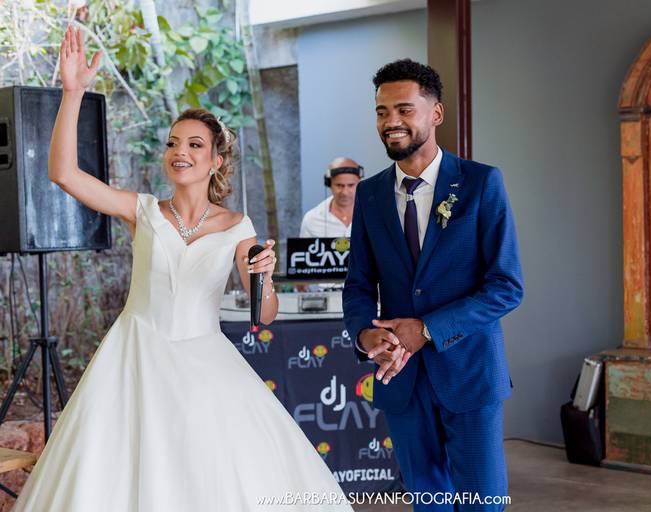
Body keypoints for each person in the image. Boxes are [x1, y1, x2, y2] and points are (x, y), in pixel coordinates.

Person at [13, 27, 352, 511]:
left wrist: (264, 274)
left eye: (195, 145)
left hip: (204, 363)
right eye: (174, 143)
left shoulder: (237, 226)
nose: (181, 152)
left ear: (215, 160)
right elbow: (63, 174)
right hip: (132, 359)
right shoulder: (142, 210)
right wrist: (72, 93)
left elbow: (264, 314)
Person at [343, 59, 524, 510]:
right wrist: (365, 335)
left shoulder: (481, 183)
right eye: (382, 112)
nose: (391, 121)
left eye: (404, 109)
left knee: (482, 501)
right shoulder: (369, 194)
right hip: (401, 379)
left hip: (469, 372)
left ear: (436, 113)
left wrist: (426, 329)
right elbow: (359, 282)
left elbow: (506, 285)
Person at [299, 157, 363, 238]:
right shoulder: (312, 219)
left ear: (360, 183)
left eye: (351, 185)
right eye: (339, 185)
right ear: (329, 184)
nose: (345, 192)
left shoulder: (373, 214)